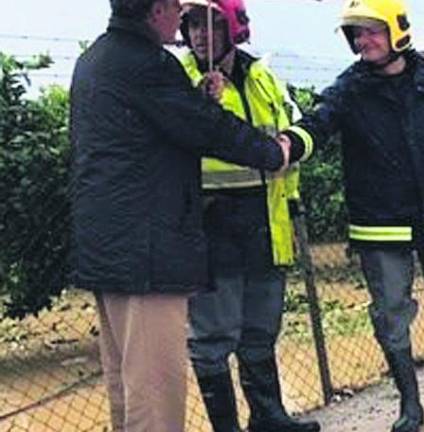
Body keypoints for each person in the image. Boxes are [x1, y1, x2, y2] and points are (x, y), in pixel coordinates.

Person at [69, 0, 290, 430]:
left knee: (127, 386)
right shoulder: (148, 64)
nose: (185, 23)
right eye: (179, 11)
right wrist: (272, 152)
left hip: (110, 248)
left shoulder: (98, 58)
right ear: (158, 10)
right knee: (156, 393)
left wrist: (194, 99)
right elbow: (206, 128)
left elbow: (154, 128)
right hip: (146, 254)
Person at [279, 0, 424, 431]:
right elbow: (317, 125)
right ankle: (410, 405)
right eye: (356, 34)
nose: (363, 41)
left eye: (371, 31)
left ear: (397, 31)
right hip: (380, 224)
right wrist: (286, 145)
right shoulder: (348, 90)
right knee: (390, 316)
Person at [177, 1, 319, 431]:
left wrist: (291, 202)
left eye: (211, 25)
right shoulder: (178, 79)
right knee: (213, 337)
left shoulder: (264, 78)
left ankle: (268, 416)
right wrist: (200, 104)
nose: (199, 34)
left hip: (264, 223)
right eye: (191, 26)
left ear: (234, 27)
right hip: (209, 226)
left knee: (261, 327)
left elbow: (294, 140)